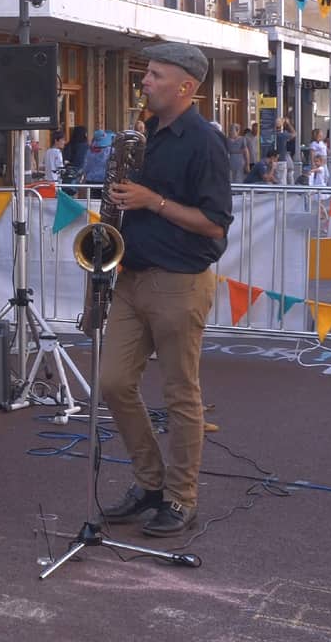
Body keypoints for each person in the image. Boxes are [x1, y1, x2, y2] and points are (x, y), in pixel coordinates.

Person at [99, 42, 232, 537]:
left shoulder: (204, 142)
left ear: (186, 86)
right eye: (146, 74)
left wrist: (151, 200)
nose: (145, 82)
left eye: (155, 75)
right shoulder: (142, 134)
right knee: (112, 383)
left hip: (179, 282)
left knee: (181, 394)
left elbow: (215, 224)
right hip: (130, 276)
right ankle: (150, 484)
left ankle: (181, 498)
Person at [81, 129, 113, 198]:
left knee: (92, 202)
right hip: (105, 180)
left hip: (91, 181)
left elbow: (85, 168)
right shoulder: (110, 150)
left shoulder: (90, 151)